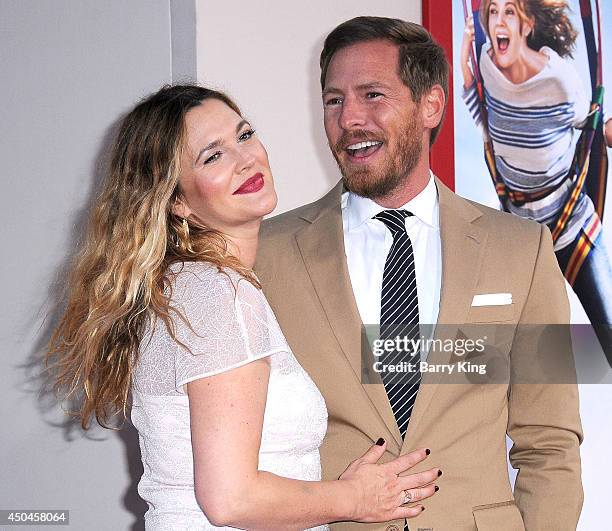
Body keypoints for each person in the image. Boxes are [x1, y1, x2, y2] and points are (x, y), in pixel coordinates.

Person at [44, 85, 441, 529]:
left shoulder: (189, 286)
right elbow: (232, 499)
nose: (246, 159)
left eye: (245, 135)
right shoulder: (216, 292)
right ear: (176, 201)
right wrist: (352, 498)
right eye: (212, 156)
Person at [255, 16, 583, 530]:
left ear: (431, 105)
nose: (350, 120)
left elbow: (551, 441)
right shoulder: (264, 254)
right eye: (334, 100)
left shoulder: (525, 251)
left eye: (372, 95)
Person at [461, 0, 612, 364]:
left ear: (527, 25)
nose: (498, 20)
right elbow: (480, 105)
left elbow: (590, 124)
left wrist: (605, 131)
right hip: (519, 237)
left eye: (509, 12)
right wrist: (466, 56)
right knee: (482, 356)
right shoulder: (485, 63)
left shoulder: (559, 82)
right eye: (493, 11)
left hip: (570, 226)